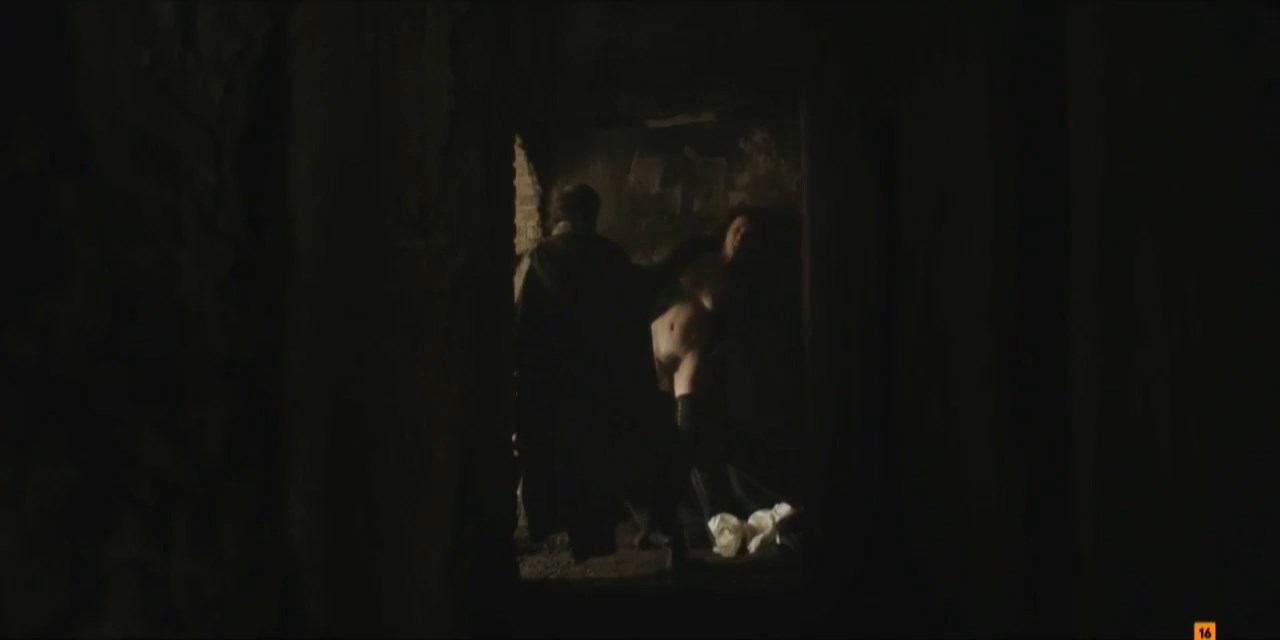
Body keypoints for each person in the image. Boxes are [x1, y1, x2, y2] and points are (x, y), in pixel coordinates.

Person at [514, 184, 651, 562]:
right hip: (601, 384)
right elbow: (632, 325)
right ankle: (595, 541)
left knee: (558, 467)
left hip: (552, 387)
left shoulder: (539, 260)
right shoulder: (613, 257)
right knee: (596, 468)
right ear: (588, 215)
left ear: (558, 216)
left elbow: (523, 326)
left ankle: (561, 533)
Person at [649, 205, 784, 553]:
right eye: (738, 228)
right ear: (727, 230)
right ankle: (662, 521)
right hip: (655, 344)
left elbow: (740, 331)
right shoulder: (698, 257)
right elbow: (661, 281)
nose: (742, 236)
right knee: (653, 435)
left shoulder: (743, 279)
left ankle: (706, 522)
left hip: (690, 357)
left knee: (687, 436)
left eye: (749, 234)